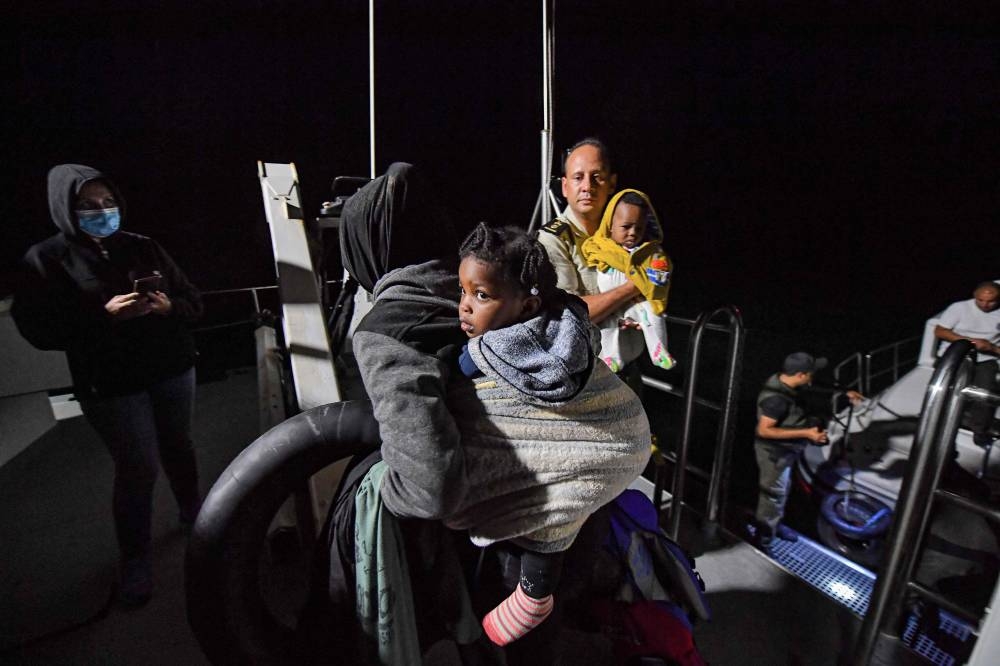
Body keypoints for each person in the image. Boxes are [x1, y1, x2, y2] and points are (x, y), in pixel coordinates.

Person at [447, 223, 651, 646]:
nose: (465, 306)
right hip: (612, 464)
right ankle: (540, 598)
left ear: (526, 305)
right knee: (563, 515)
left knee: (547, 519)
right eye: (464, 292)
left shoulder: (487, 349)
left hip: (528, 532)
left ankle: (532, 601)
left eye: (481, 296)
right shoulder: (567, 325)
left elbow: (459, 379)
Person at [12, 164, 203, 605]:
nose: (102, 212)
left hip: (171, 368)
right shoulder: (44, 260)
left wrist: (167, 306)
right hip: (112, 384)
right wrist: (103, 317)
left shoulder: (143, 246)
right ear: (65, 209)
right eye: (88, 206)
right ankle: (135, 560)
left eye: (108, 203)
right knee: (138, 467)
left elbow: (194, 301)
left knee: (180, 445)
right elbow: (38, 331)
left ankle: (194, 514)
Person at [753, 352, 863, 553]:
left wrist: (844, 392)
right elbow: (764, 430)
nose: (813, 377)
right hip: (775, 455)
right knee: (772, 497)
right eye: (811, 373)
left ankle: (775, 526)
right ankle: (763, 541)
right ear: (801, 375)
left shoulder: (787, 379)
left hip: (789, 450)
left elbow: (815, 385)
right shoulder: (776, 399)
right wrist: (808, 433)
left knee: (783, 492)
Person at [536, 138, 642, 326]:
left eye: (596, 177)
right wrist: (631, 288)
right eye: (578, 177)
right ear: (565, 187)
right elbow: (568, 314)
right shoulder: (553, 239)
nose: (587, 187)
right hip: (584, 353)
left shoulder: (625, 230)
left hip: (631, 349)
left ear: (611, 183)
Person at [581, 189, 676, 373]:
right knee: (607, 325)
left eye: (638, 228)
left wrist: (658, 271)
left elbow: (662, 271)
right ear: (610, 225)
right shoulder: (600, 245)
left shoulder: (650, 251)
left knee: (653, 314)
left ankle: (659, 351)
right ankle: (610, 357)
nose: (633, 233)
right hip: (610, 303)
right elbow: (589, 252)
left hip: (636, 303)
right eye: (626, 227)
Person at [933, 281, 1000, 446]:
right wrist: (969, 341)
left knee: (984, 393)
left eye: (990, 301)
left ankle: (980, 430)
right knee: (945, 389)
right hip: (956, 354)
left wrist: (991, 347)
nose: (985, 305)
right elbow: (940, 331)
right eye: (980, 300)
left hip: (986, 358)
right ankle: (937, 422)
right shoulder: (959, 308)